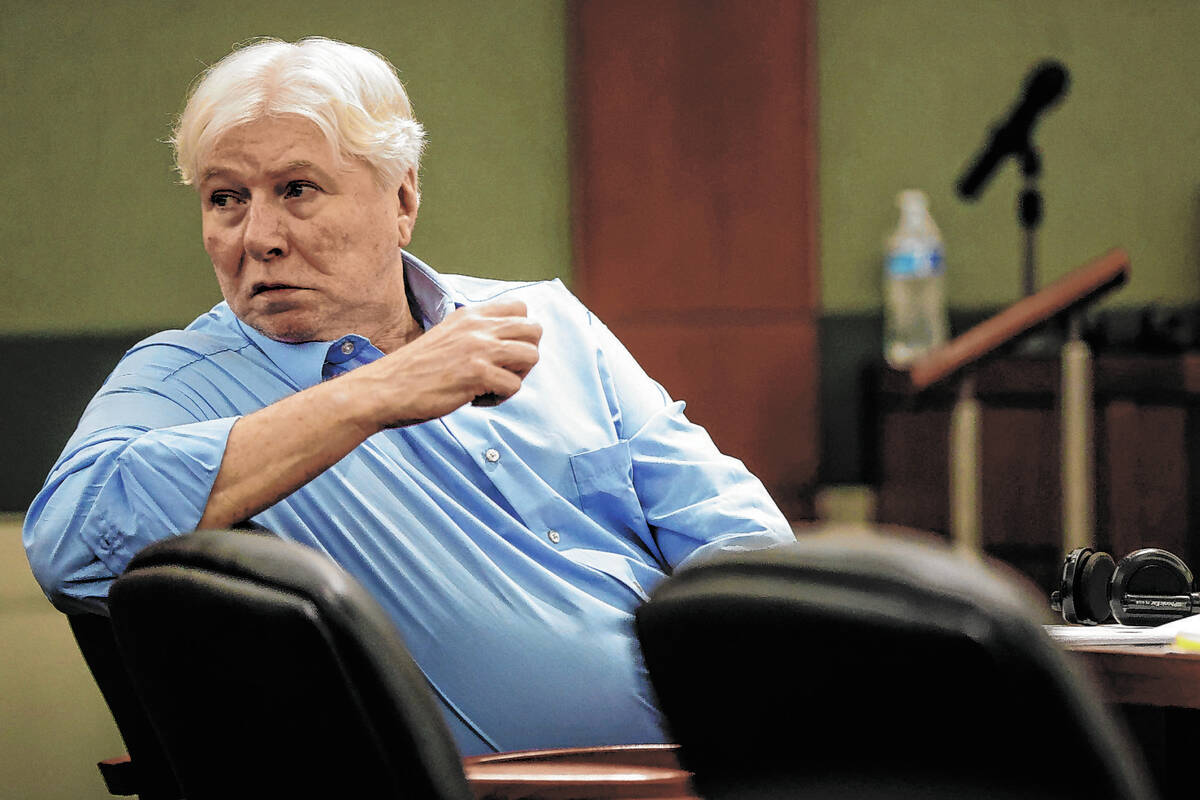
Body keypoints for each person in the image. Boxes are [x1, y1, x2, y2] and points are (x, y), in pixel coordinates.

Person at [23, 36, 793, 755]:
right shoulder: (181, 378)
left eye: (296, 190)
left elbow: (735, 533)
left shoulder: (546, 319)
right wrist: (376, 394)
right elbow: (69, 544)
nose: (257, 235)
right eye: (226, 199)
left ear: (402, 199)